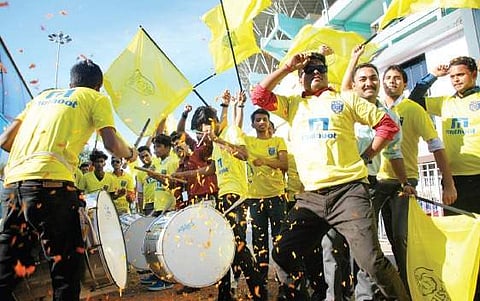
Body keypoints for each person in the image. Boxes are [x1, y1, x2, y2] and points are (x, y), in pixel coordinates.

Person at [251, 51, 409, 300]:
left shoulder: (345, 99)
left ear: (326, 74)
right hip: (310, 198)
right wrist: (287, 68)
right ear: (300, 76)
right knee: (281, 252)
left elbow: (387, 126)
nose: (316, 73)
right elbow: (258, 96)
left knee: (372, 262)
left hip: (349, 193)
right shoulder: (292, 104)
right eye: (309, 70)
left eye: (320, 69)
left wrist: (367, 155)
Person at [0, 59, 137, 301]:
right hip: (51, 188)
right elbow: (111, 144)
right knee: (66, 269)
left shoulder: (40, 99)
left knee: (6, 265)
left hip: (12, 187)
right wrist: (131, 154)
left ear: (70, 82)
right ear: (98, 86)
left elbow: (5, 142)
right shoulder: (95, 98)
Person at [374, 64, 457, 296]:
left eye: (397, 78)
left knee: (401, 239)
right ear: (382, 83)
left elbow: (436, 145)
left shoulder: (413, 109)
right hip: (376, 181)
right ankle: (381, 288)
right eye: (388, 78)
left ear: (405, 83)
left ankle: (410, 288)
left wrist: (447, 182)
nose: (392, 81)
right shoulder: (372, 108)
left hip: (405, 182)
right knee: (369, 238)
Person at [409, 55, 479, 299]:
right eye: (452, 76)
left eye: (460, 74)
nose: (455, 80)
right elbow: (414, 101)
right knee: (458, 238)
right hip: (454, 182)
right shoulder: (445, 103)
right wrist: (431, 77)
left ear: (474, 74)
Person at [193, 95, 267, 301]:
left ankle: (259, 292)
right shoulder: (216, 143)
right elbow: (213, 168)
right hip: (223, 196)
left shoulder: (231, 132)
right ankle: (225, 293)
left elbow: (243, 154)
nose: (202, 133)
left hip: (237, 196)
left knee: (238, 245)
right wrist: (181, 176)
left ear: (211, 123)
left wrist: (218, 140)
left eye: (202, 127)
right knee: (223, 245)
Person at [244, 108, 288, 286]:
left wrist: (265, 161)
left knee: (280, 237)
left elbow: (284, 164)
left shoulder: (278, 141)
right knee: (258, 239)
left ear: (269, 122)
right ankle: (261, 277)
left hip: (277, 196)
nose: (261, 122)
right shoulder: (247, 142)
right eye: (258, 120)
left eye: (264, 119)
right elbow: (233, 144)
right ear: (252, 124)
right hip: (255, 199)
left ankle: (282, 275)